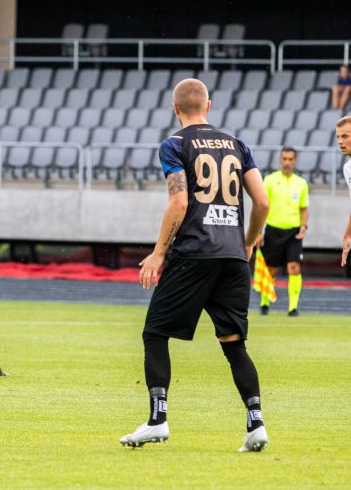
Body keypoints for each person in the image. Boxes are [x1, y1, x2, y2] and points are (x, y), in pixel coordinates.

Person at [120, 79, 270, 453]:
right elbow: (263, 203)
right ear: (209, 105)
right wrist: (248, 243)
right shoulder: (237, 145)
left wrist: (158, 252)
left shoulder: (175, 144)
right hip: (234, 258)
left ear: (175, 108)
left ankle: (157, 420)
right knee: (234, 343)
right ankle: (256, 424)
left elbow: (179, 203)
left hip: (194, 254)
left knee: (155, 333)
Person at [260, 147, 309, 317]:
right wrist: (259, 231)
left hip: (293, 232)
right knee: (271, 270)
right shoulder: (269, 180)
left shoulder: (301, 183)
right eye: (284, 159)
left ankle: (293, 308)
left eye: (290, 159)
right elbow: (262, 207)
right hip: (273, 230)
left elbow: (304, 208)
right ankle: (265, 303)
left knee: (294, 268)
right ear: (280, 160)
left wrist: (304, 226)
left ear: (295, 161)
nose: (287, 162)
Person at [335, 116, 351, 267]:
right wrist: (348, 235)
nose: (340, 141)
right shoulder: (347, 168)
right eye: (338, 137)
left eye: (345, 136)